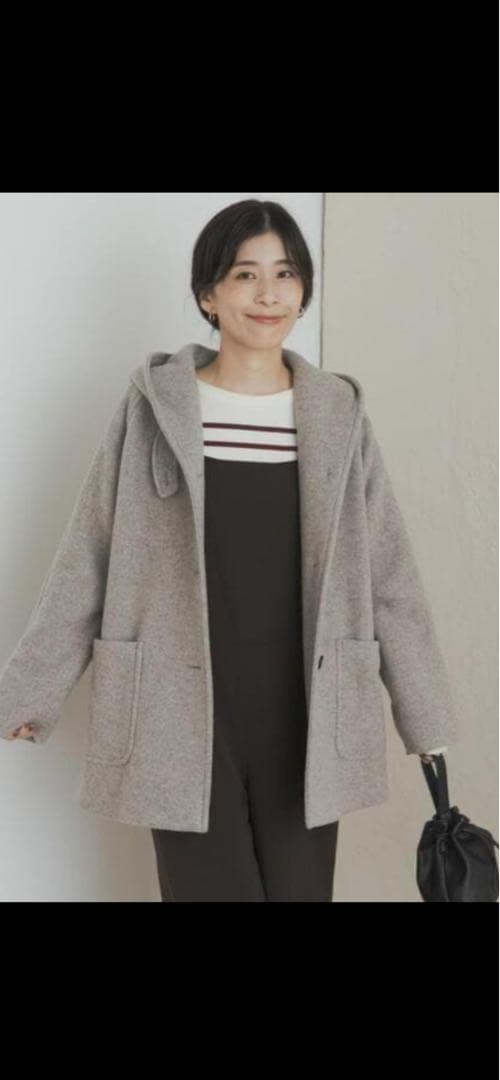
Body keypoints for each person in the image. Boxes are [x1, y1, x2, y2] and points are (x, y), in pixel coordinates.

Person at [2, 198, 452, 901]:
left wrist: (423, 716)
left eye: (285, 274)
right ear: (208, 295)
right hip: (177, 711)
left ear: (304, 290)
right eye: (245, 275)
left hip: (308, 713)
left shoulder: (337, 414)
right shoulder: (156, 407)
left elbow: (387, 574)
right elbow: (91, 550)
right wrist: (33, 688)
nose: (268, 294)